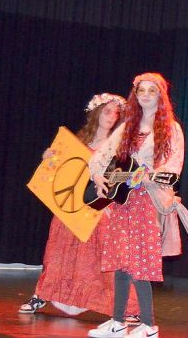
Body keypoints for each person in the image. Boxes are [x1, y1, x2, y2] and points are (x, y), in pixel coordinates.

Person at [19, 93, 140, 322]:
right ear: (97, 112)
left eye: (116, 113)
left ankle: (125, 306)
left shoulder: (118, 148)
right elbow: (60, 172)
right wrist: (49, 157)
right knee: (58, 252)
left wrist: (128, 177)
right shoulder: (78, 143)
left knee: (104, 258)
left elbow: (124, 178)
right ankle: (42, 294)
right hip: (71, 208)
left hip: (99, 209)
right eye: (107, 111)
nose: (111, 116)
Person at [87, 73, 185, 338]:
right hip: (123, 201)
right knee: (121, 258)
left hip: (146, 200)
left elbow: (173, 165)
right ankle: (118, 321)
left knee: (141, 259)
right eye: (141, 91)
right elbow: (101, 156)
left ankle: (149, 326)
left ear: (160, 96)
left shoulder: (171, 129)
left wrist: (150, 176)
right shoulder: (128, 126)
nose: (145, 95)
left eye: (151, 91)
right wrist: (98, 177)